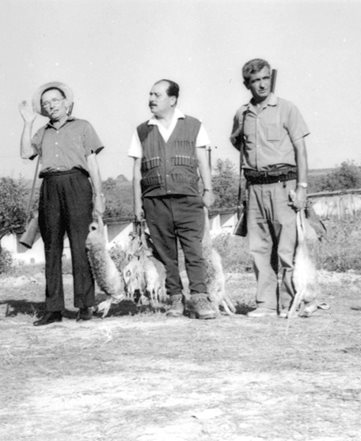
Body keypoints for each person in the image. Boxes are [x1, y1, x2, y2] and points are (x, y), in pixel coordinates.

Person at [19, 81, 105, 326]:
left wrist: (99, 196)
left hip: (77, 184)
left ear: (67, 103)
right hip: (50, 187)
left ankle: (85, 305)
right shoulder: (42, 132)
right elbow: (26, 154)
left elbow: (93, 163)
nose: (51, 106)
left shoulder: (83, 126)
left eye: (55, 101)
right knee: (51, 248)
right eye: (46, 104)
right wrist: (27, 123)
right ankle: (53, 309)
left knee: (80, 246)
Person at [128, 79, 216, 319]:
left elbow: (202, 161)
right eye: (150, 94)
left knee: (193, 252)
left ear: (173, 99)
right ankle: (176, 300)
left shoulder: (194, 125)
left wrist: (208, 189)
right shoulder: (142, 130)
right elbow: (136, 172)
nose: (151, 99)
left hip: (188, 200)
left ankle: (200, 299)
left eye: (157, 95)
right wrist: (137, 205)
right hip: (155, 202)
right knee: (167, 255)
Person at [230, 58, 309, 318]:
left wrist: (302, 188)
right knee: (259, 250)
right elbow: (238, 143)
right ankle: (265, 304)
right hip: (254, 188)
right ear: (247, 84)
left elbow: (301, 150)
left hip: (282, 185)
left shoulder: (287, 108)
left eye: (265, 78)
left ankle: (289, 303)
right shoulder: (242, 114)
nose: (262, 85)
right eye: (255, 81)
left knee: (287, 249)